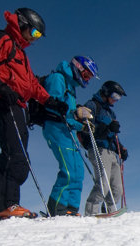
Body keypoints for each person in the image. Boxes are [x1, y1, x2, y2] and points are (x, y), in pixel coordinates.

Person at [0, 8, 67, 219]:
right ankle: (7, 205)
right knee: (17, 154)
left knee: (12, 152)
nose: (35, 39)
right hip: (1, 101)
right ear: (23, 24)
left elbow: (31, 84)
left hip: (16, 104)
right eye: (34, 33)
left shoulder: (20, 53)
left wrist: (50, 101)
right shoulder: (2, 39)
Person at [41, 56, 100, 216]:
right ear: (78, 68)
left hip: (67, 131)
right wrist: (76, 114)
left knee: (78, 171)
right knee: (68, 170)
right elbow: (54, 107)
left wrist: (81, 125)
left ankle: (70, 209)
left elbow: (68, 116)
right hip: (56, 129)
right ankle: (56, 209)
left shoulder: (71, 87)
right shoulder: (57, 79)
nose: (86, 80)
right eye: (87, 75)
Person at [82, 81, 128, 216]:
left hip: (112, 152)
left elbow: (113, 136)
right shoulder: (92, 105)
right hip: (98, 149)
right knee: (103, 183)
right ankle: (91, 212)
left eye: (118, 97)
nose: (116, 100)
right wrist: (107, 128)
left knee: (117, 188)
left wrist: (121, 148)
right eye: (115, 96)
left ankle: (110, 213)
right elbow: (87, 129)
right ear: (106, 91)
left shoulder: (111, 113)